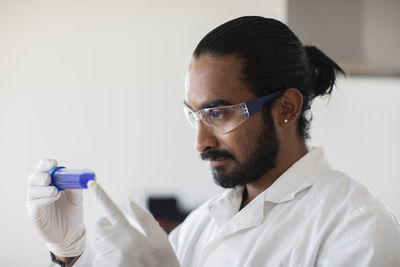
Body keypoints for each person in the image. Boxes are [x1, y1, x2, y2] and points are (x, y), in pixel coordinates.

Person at [26, 16, 400, 267]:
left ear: (286, 108)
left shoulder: (357, 227)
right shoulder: (206, 222)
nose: (200, 142)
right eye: (194, 115)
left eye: (218, 113)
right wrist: (70, 250)